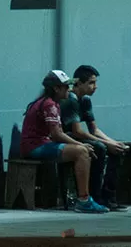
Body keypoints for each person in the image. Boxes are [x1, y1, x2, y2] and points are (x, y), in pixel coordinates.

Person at [20, 70, 108, 214]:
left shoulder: (52, 103)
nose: (69, 89)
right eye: (66, 86)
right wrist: (79, 144)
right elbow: (56, 134)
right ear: (56, 88)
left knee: (82, 150)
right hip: (35, 147)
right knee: (81, 152)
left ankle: (83, 198)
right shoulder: (50, 105)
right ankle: (84, 200)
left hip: (40, 144)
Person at [64, 64, 130, 211]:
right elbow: (77, 132)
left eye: (95, 82)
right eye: (91, 83)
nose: (95, 86)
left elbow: (94, 130)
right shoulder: (71, 99)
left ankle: (108, 197)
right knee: (99, 148)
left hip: (78, 136)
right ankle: (95, 196)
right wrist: (106, 143)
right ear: (79, 83)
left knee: (118, 149)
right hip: (67, 138)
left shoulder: (85, 100)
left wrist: (113, 143)